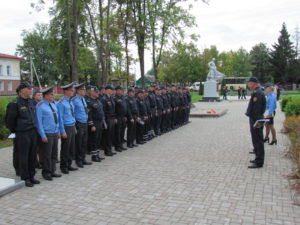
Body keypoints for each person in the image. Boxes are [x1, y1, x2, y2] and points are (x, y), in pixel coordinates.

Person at [5, 82, 40, 187]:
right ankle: (25, 177)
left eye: (31, 88)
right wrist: (15, 131)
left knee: (32, 155)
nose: (30, 90)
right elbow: (9, 121)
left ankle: (32, 175)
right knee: (23, 155)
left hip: (32, 131)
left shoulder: (31, 102)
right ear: (21, 91)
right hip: (22, 133)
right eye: (28, 88)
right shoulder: (14, 104)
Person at [36, 87, 62, 181]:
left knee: (54, 153)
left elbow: (57, 119)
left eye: (53, 94)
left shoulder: (53, 104)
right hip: (47, 133)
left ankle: (53, 170)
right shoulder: (40, 106)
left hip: (54, 132)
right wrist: (43, 135)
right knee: (46, 154)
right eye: (51, 94)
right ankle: (46, 172)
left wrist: (58, 131)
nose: (53, 96)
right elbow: (39, 122)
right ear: (46, 95)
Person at [57, 83, 78, 174]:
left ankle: (69, 164)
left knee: (71, 147)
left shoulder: (70, 101)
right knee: (65, 147)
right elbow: (60, 118)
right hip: (65, 127)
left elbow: (72, 116)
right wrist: (62, 131)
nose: (73, 92)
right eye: (71, 90)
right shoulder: (61, 103)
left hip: (71, 126)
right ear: (66, 91)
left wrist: (74, 127)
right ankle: (64, 166)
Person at [245, 77, 266, 169]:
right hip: (255, 119)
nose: (249, 85)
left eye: (250, 83)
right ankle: (257, 158)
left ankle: (259, 162)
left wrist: (257, 123)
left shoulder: (258, 93)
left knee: (258, 141)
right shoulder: (257, 92)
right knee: (256, 140)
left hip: (256, 119)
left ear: (254, 83)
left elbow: (257, 110)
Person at [72, 83, 92, 168]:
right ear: (78, 91)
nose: (84, 91)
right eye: (82, 90)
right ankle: (78, 160)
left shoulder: (83, 99)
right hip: (78, 123)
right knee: (79, 143)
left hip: (84, 123)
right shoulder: (74, 100)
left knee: (84, 142)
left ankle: (83, 159)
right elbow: (72, 113)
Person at [86, 86, 105, 162]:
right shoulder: (89, 102)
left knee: (98, 139)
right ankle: (94, 156)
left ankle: (97, 154)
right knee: (94, 139)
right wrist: (92, 125)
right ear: (92, 93)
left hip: (100, 122)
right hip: (95, 123)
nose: (97, 93)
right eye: (96, 92)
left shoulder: (98, 101)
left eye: (97, 92)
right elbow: (89, 115)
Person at [101, 85, 117, 156]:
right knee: (107, 136)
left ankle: (110, 149)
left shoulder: (111, 98)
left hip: (112, 118)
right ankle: (107, 150)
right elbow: (103, 111)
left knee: (111, 135)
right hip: (107, 119)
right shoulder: (104, 99)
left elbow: (114, 109)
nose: (112, 91)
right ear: (107, 90)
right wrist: (104, 121)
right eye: (111, 89)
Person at [114, 85, 128, 152]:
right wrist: (115, 117)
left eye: (122, 90)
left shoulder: (123, 98)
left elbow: (125, 108)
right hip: (118, 117)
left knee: (122, 131)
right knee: (118, 133)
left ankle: (121, 145)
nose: (122, 91)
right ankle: (117, 146)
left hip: (123, 117)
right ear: (117, 91)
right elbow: (114, 109)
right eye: (121, 90)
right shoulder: (115, 98)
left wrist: (125, 116)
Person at [32, 89, 43, 169]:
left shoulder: (41, 104)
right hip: (35, 128)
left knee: (40, 146)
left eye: (41, 95)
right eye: (38, 95)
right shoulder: (33, 104)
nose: (40, 96)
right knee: (36, 147)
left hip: (40, 128)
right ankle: (36, 162)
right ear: (34, 96)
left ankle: (40, 161)